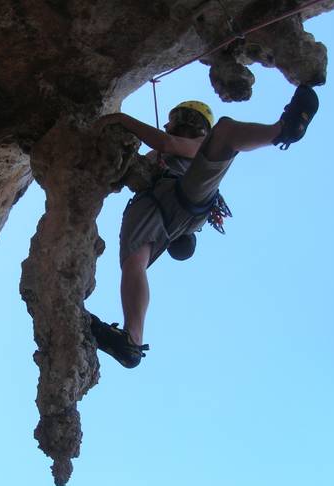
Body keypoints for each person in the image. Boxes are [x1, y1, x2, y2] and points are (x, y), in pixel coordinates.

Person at [89, 85, 319, 368]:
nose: (172, 125)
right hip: (163, 204)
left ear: (183, 122)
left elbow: (168, 144)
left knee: (224, 132)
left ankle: (282, 130)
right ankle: (131, 343)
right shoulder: (161, 155)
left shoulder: (195, 146)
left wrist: (121, 120)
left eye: (176, 120)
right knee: (134, 264)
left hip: (178, 195)